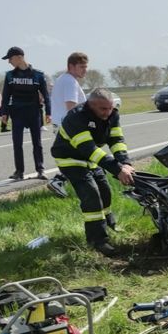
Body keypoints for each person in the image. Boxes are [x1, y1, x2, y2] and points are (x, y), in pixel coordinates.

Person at [51, 88, 135, 253]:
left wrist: (125, 163)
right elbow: (88, 149)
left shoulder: (112, 115)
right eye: (103, 109)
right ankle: (97, 241)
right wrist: (117, 169)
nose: (107, 112)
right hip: (70, 159)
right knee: (92, 195)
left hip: (91, 159)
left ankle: (110, 224)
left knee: (105, 192)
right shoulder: (75, 117)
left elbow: (116, 140)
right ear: (91, 105)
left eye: (110, 108)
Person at [0, 46, 51, 180]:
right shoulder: (10, 75)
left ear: (19, 57)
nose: (9, 62)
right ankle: (19, 171)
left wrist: (48, 112)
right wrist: (4, 113)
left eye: (10, 59)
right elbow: (6, 96)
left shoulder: (38, 75)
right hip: (17, 113)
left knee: (37, 143)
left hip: (34, 113)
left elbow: (46, 95)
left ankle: (40, 169)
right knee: (17, 143)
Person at [47, 52, 90, 198]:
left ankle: (66, 182)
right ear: (71, 66)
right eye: (81, 67)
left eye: (86, 67)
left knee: (77, 157)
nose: (85, 70)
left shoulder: (64, 79)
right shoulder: (70, 82)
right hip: (69, 126)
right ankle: (58, 181)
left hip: (63, 124)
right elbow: (71, 107)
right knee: (81, 156)